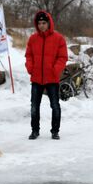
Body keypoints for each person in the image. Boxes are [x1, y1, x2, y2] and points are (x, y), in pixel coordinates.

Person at [25, 11, 68, 140]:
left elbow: (62, 57)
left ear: (49, 23)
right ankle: (35, 130)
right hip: (37, 78)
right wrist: (30, 67)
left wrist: (55, 70)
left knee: (55, 105)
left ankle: (55, 131)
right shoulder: (33, 39)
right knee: (34, 106)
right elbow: (29, 55)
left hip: (52, 78)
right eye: (39, 23)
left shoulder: (59, 38)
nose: (41, 25)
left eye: (44, 23)